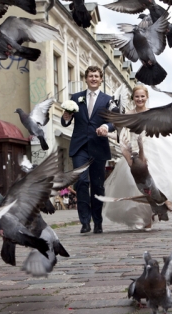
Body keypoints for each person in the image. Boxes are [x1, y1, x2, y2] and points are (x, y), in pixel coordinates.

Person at [101, 85, 172, 231]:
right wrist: (107, 134)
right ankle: (142, 216)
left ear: (147, 97)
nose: (140, 99)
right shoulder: (128, 115)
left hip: (153, 149)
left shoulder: (153, 113)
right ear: (133, 98)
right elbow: (122, 137)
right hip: (135, 152)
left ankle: (149, 218)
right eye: (137, 96)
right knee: (132, 184)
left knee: (154, 184)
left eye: (142, 96)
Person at [61, 66, 115, 234]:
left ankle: (98, 221)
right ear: (86, 79)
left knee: (98, 186)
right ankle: (85, 222)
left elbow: (115, 121)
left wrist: (106, 126)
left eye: (96, 76)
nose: (93, 78)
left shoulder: (108, 99)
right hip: (80, 147)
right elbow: (65, 121)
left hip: (98, 146)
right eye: (90, 76)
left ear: (100, 80)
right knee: (82, 182)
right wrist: (66, 118)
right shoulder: (76, 98)